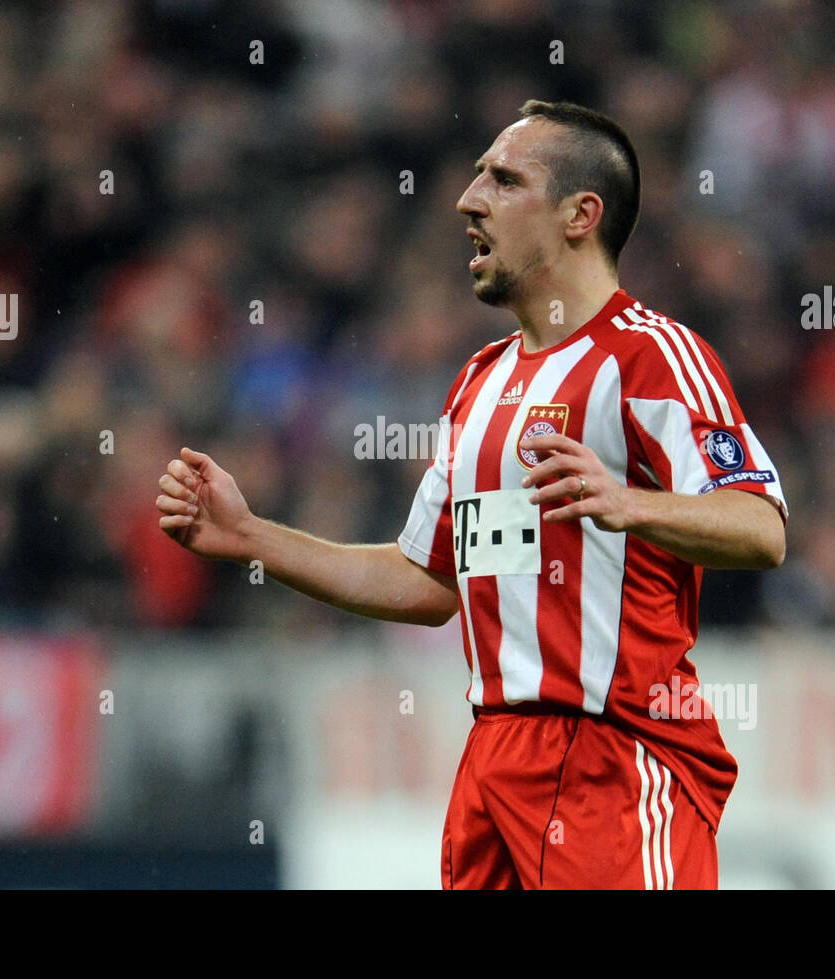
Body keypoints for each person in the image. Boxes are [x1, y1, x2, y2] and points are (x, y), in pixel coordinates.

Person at [155, 100, 787, 889]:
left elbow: (760, 525)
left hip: (616, 763)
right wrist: (252, 538)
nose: (468, 197)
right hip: (493, 767)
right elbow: (427, 580)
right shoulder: (480, 383)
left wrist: (632, 504)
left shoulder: (651, 355)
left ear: (579, 215)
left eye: (504, 178)